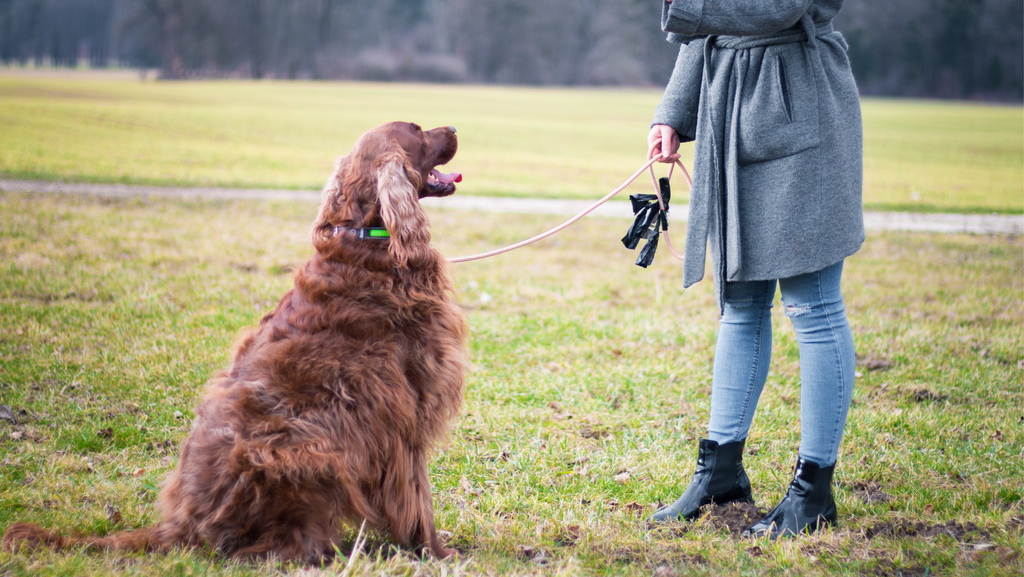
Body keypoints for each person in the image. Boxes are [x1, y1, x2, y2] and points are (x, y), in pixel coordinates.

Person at [646, 0, 864, 538]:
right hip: (731, 112)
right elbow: (709, 29)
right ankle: (720, 472)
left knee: (812, 303)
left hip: (801, 105)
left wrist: (689, 7)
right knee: (740, 303)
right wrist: (672, 112)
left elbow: (778, 7)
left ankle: (813, 492)